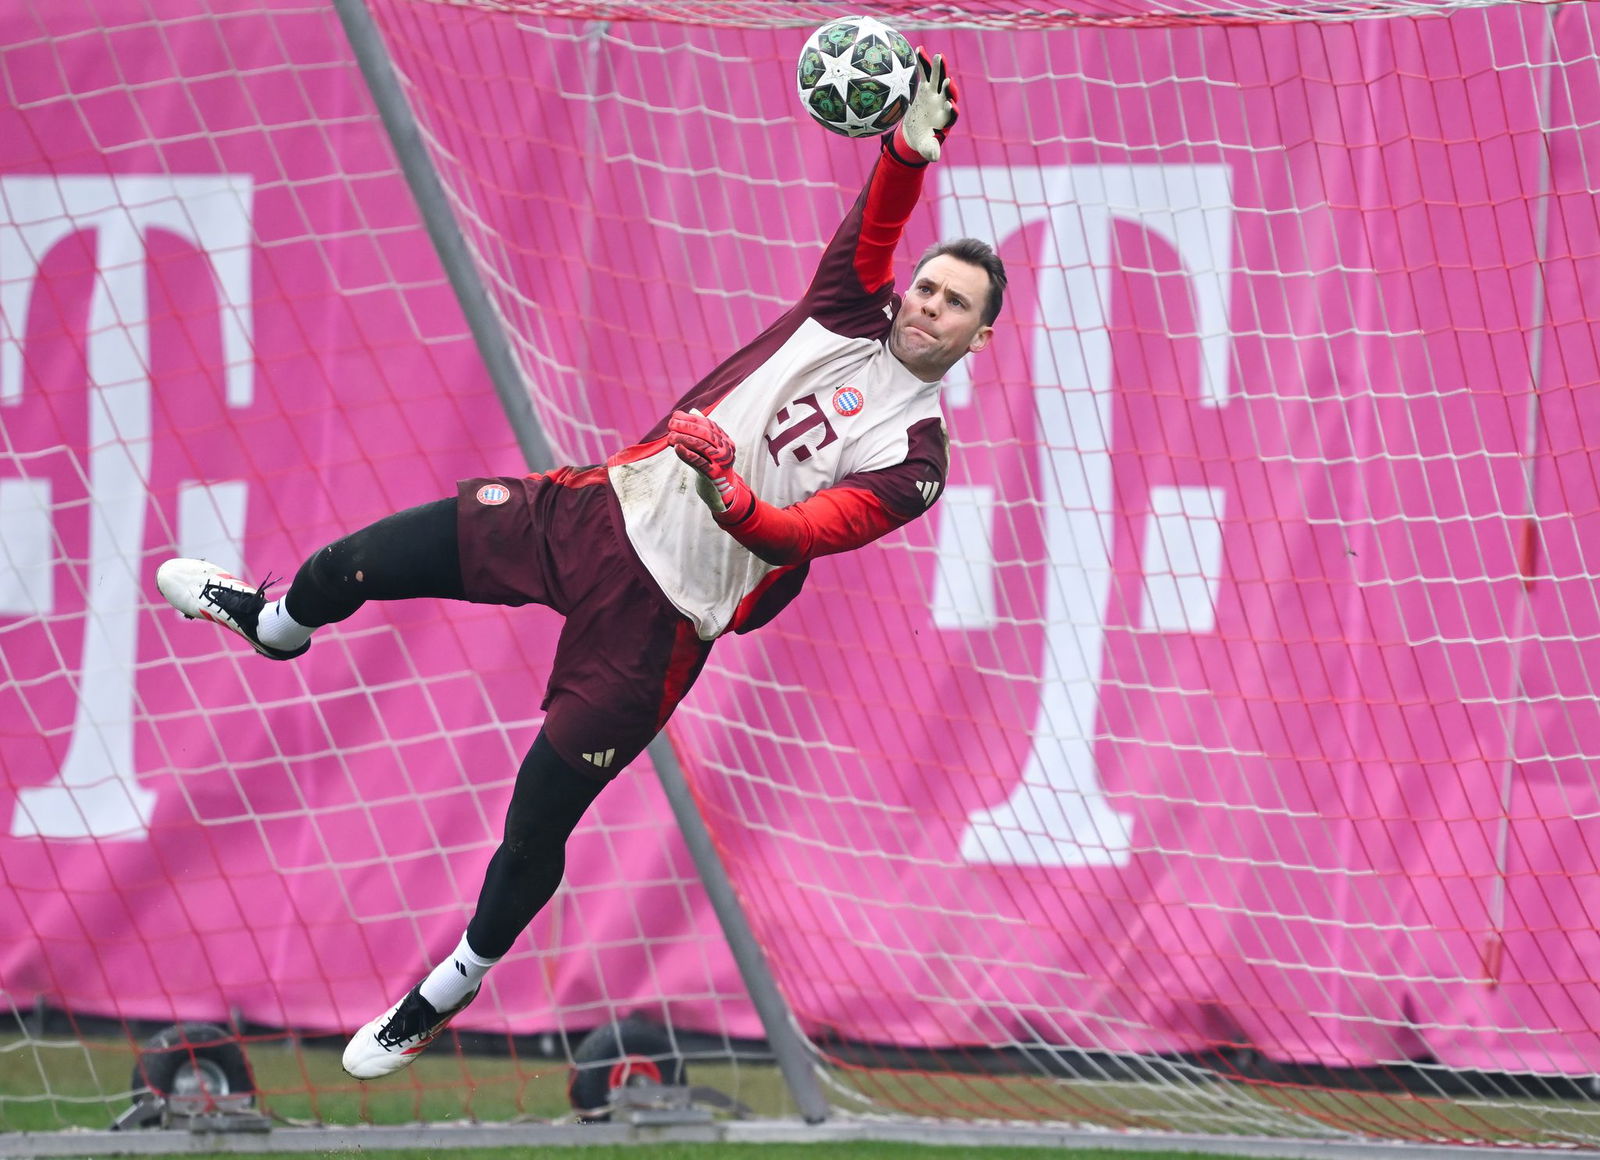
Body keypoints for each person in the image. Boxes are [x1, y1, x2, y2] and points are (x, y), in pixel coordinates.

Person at [155, 49, 1005, 1081]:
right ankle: (274, 621)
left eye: (954, 304)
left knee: (535, 817)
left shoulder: (916, 461)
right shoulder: (843, 305)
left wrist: (728, 489)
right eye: (926, 286)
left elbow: (801, 536)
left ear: (980, 334)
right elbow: (878, 216)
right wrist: (910, 144)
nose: (927, 307)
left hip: (659, 624)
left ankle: (453, 980)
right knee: (360, 560)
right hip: (592, 512)